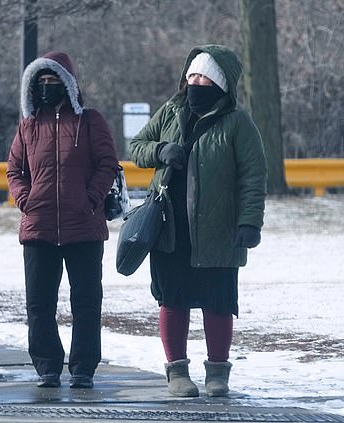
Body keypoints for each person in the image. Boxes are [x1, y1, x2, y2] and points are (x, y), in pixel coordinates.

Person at [128, 45, 267, 397]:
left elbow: (253, 176)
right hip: (170, 228)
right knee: (172, 299)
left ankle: (218, 373)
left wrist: (250, 223)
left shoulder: (238, 124)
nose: (195, 82)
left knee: (217, 302)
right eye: (191, 76)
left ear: (219, 84)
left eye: (203, 77)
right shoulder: (172, 111)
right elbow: (136, 146)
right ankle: (177, 373)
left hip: (218, 231)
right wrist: (160, 150)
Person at [7, 51, 119, 389]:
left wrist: (90, 200)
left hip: (83, 226)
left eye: (52, 80)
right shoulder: (28, 125)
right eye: (40, 82)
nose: (46, 87)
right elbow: (14, 169)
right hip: (38, 226)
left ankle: (83, 367)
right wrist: (25, 199)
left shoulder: (90, 121)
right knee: (39, 304)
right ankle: (47, 367)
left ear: (67, 84)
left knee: (86, 301)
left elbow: (107, 164)